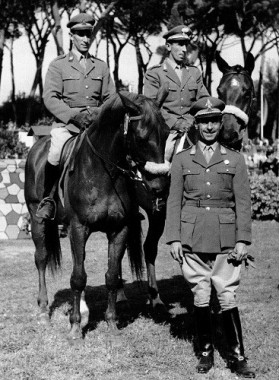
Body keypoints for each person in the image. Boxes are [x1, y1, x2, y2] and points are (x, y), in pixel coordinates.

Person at [166, 96, 255, 378]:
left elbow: (243, 202)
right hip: (191, 236)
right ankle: (205, 353)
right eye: (203, 122)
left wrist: (243, 240)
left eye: (213, 121)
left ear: (220, 123)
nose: (209, 127)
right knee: (201, 294)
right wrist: (174, 238)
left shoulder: (235, 159)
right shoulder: (182, 160)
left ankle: (237, 357)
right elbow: (173, 201)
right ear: (196, 124)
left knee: (227, 295)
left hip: (226, 237)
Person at [36, 13, 115, 220]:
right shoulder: (58, 65)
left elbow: (111, 99)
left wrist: (98, 114)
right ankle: (49, 199)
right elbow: (50, 98)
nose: (85, 39)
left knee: (121, 149)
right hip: (68, 126)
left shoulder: (101, 66)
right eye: (80, 34)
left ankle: (125, 202)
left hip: (96, 125)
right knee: (55, 153)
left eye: (88, 34)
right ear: (71, 36)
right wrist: (74, 116)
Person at [144, 25, 209, 161]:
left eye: (186, 45)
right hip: (166, 131)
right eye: (180, 44)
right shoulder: (155, 73)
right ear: (168, 46)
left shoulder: (194, 72)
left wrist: (191, 121)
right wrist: (174, 123)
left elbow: (204, 101)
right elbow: (151, 106)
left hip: (192, 129)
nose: (184, 50)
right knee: (162, 167)